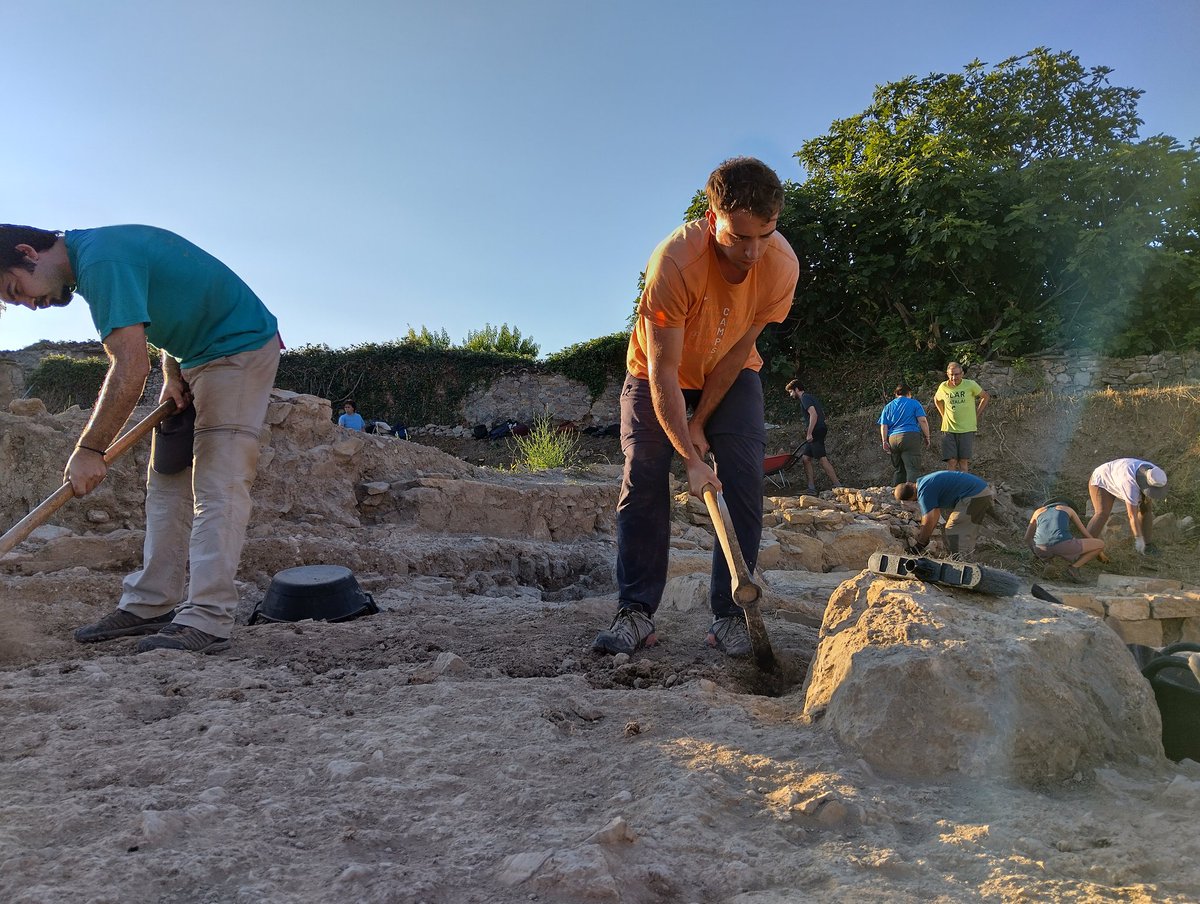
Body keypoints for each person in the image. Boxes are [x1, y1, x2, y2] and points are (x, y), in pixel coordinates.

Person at [1, 223, 280, 654]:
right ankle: (151, 603)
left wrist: (89, 449)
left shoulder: (101, 259)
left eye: (15, 289)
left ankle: (207, 618)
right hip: (192, 357)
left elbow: (130, 368)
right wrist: (173, 371)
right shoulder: (95, 259)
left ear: (27, 252)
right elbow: (172, 304)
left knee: (218, 483)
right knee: (167, 482)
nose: (27, 304)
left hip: (238, 350)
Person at [592, 157, 798, 659]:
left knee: (744, 476)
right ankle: (635, 611)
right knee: (644, 471)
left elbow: (738, 351)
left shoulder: (781, 266)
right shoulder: (676, 262)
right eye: (739, 237)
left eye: (765, 234)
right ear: (712, 219)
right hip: (656, 374)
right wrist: (689, 457)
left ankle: (730, 616)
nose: (752, 252)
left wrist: (700, 422)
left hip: (729, 371)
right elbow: (664, 372)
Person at [894, 470, 995, 556]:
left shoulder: (924, 491)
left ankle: (962, 560)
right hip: (980, 490)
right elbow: (935, 515)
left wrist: (921, 542)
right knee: (962, 528)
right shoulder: (925, 482)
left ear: (911, 498)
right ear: (909, 483)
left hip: (974, 494)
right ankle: (963, 556)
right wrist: (925, 536)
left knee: (955, 528)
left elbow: (929, 518)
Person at [1086, 458, 1168, 555]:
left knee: (1146, 508)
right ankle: (1084, 548)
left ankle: (1147, 546)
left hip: (1118, 476)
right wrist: (1138, 538)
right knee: (1102, 513)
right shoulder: (1130, 484)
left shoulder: (1157, 474)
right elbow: (1132, 516)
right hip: (1102, 479)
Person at [1024, 498, 1105, 582]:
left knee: (1049, 547)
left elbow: (1027, 538)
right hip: (1063, 546)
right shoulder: (1068, 509)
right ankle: (1073, 568)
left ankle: (1048, 563)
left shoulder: (1037, 512)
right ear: (1066, 504)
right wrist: (1100, 552)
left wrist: (1037, 554)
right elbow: (1084, 533)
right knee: (1100, 544)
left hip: (1040, 548)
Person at [786, 379, 841, 494]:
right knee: (806, 459)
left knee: (822, 459)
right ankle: (811, 488)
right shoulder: (809, 397)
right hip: (818, 429)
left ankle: (839, 486)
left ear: (796, 389)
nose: (790, 395)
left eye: (791, 392)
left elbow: (813, 414)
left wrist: (809, 433)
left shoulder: (805, 398)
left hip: (816, 430)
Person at [933, 362, 989, 472]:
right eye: (951, 375)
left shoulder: (970, 384)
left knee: (963, 461)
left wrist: (977, 414)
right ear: (947, 374)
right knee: (952, 461)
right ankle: (952, 483)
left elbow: (985, 396)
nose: (954, 377)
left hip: (966, 428)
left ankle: (964, 483)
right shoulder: (943, 386)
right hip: (949, 429)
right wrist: (943, 415)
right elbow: (937, 400)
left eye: (957, 374)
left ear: (962, 374)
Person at [878, 383, 930, 485]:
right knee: (912, 468)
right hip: (910, 437)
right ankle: (911, 492)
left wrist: (884, 441)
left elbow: (883, 426)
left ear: (896, 394)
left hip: (893, 439)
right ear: (909, 393)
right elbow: (923, 421)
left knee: (899, 470)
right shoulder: (914, 403)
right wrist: (927, 437)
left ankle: (897, 492)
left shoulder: (888, 407)